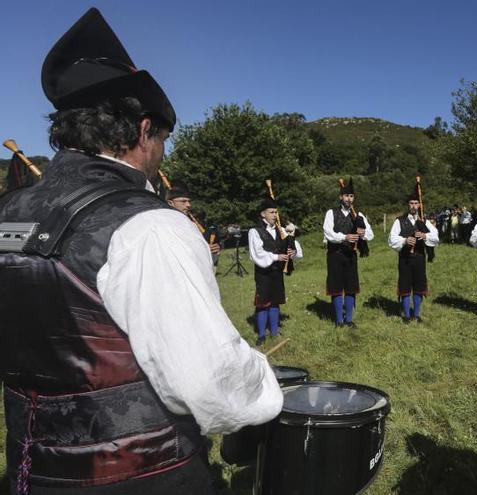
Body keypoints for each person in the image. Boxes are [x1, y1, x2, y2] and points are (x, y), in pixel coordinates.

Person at [0, 9, 282, 495]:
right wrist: (264, 383)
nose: (163, 155)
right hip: (140, 474)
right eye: (164, 140)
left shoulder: (10, 210)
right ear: (142, 131)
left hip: (30, 469)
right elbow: (209, 384)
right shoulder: (148, 225)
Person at [248, 198, 300, 345]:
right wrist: (276, 256)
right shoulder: (255, 231)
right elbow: (256, 254)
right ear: (263, 214)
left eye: (276, 212)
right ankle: (262, 335)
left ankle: (275, 332)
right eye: (271, 212)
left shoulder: (281, 230)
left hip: (277, 272)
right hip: (263, 273)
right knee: (263, 302)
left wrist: (292, 252)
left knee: (275, 302)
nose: (275, 215)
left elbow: (293, 247)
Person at [323, 177, 374, 327]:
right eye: (346, 196)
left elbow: (371, 235)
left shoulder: (359, 216)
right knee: (337, 287)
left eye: (351, 196)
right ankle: (339, 320)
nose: (348, 199)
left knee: (351, 287)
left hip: (351, 255)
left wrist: (362, 233)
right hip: (335, 255)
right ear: (341, 197)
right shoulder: (331, 213)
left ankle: (349, 319)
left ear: (354, 198)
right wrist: (344, 237)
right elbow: (328, 233)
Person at [388, 190, 439, 323]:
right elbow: (391, 239)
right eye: (411, 203)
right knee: (405, 285)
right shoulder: (399, 221)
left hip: (419, 257)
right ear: (408, 205)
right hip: (405, 258)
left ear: (419, 205)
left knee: (419, 285)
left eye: (416, 203)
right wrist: (404, 241)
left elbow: (436, 237)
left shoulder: (424, 221)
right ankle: (406, 315)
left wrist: (425, 236)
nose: (413, 206)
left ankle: (416, 314)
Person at [166, 185, 222, 263]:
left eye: (189, 201)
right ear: (170, 203)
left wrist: (215, 248)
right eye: (183, 201)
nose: (188, 205)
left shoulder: (191, 223)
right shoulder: (165, 225)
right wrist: (203, 249)